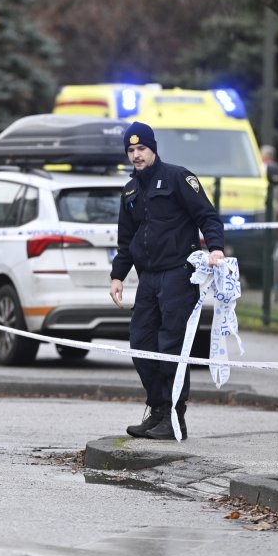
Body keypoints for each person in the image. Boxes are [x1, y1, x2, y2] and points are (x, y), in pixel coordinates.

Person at [108, 121, 225, 440]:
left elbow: (208, 216)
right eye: (130, 150)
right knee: (141, 344)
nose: (136, 155)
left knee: (170, 346)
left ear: (153, 148)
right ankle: (158, 410)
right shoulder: (130, 190)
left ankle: (175, 418)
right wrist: (118, 275)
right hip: (148, 278)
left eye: (141, 148)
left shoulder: (177, 178)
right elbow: (127, 238)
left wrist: (215, 248)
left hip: (178, 275)